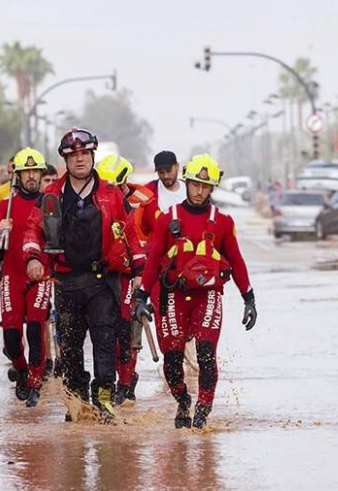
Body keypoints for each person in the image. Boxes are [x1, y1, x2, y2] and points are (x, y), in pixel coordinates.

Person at [23, 128, 145, 422]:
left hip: (103, 281)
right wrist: (32, 258)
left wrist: (140, 271)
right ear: (65, 160)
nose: (79, 160)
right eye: (72, 155)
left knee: (105, 341)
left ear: (92, 156)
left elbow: (130, 232)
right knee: (71, 346)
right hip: (65, 281)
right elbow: (31, 230)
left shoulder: (112, 194)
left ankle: (104, 400)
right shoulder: (51, 195)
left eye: (84, 154)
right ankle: (77, 400)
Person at [135, 154, 257, 429]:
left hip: (209, 295)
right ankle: (183, 401)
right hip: (173, 296)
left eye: (205, 186)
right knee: (172, 360)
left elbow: (236, 261)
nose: (199, 191)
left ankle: (203, 408)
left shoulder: (224, 222)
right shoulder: (168, 219)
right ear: (186, 182)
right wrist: (141, 296)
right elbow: (153, 261)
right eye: (194, 185)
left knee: (205, 352)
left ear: (212, 188)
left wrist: (248, 298)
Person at [0, 147, 51, 407]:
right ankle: (22, 371)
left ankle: (36, 382)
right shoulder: (6, 204)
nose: (32, 177)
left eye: (36, 171)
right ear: (18, 175)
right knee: (12, 337)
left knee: (36, 329)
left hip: (40, 276)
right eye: (27, 172)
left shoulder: (49, 202)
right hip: (11, 276)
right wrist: (0, 231)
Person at [96, 154, 155, 406]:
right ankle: (109, 384)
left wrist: (143, 278)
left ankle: (125, 382)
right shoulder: (94, 205)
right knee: (104, 335)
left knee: (127, 333)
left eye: (115, 187)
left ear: (123, 184)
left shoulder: (142, 207)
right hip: (102, 276)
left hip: (132, 277)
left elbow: (155, 239)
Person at [138, 151, 199, 381]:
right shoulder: (147, 194)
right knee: (165, 317)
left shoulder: (193, 190)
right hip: (160, 267)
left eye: (168, 171)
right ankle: (172, 367)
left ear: (177, 167)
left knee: (191, 316)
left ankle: (191, 359)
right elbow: (134, 225)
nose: (165, 176)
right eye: (161, 173)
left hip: (191, 266)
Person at [40, 163, 60, 378]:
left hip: (62, 268)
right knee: (43, 315)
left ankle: (61, 356)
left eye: (54, 181)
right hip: (41, 268)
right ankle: (47, 359)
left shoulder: (62, 202)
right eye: (47, 181)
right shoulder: (38, 205)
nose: (51, 185)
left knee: (61, 316)